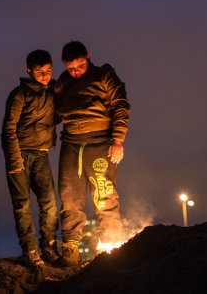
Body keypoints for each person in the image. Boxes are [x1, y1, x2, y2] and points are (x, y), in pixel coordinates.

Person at [54, 41, 131, 266]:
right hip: (71, 144)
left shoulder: (104, 75)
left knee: (104, 194)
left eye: (79, 66)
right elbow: (52, 110)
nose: (76, 71)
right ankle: (70, 249)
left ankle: (109, 245)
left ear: (88, 57)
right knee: (69, 197)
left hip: (100, 143)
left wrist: (118, 140)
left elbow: (121, 105)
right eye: (71, 68)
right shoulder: (63, 83)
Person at [1, 49, 61, 267]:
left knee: (50, 202)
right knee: (22, 204)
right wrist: (14, 159)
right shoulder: (19, 94)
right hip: (19, 154)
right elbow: (8, 127)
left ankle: (49, 247)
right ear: (29, 71)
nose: (45, 75)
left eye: (48, 70)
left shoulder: (54, 92)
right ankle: (30, 250)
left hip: (41, 154)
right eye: (39, 71)